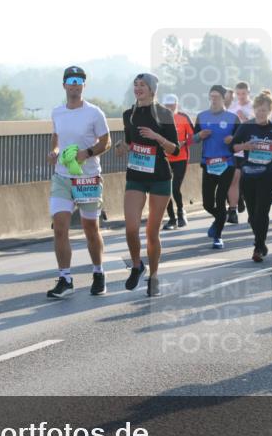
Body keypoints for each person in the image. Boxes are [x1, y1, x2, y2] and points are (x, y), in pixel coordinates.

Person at [45, 66, 111, 299]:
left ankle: (98, 273)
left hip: (87, 178)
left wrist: (87, 153)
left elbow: (106, 141)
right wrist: (54, 152)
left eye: (79, 80)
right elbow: (56, 137)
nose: (74, 84)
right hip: (62, 177)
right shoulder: (57, 112)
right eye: (71, 80)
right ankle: (65, 279)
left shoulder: (94, 113)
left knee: (90, 229)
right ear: (64, 85)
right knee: (60, 227)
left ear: (84, 85)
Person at [119, 72, 179, 296]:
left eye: (142, 85)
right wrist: (122, 147)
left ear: (152, 90)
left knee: (152, 232)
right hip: (136, 175)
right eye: (135, 84)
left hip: (160, 177)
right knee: (131, 228)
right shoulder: (128, 114)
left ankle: (154, 277)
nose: (138, 88)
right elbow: (128, 142)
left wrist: (157, 137)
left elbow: (175, 149)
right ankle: (137, 266)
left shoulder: (164, 113)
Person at [232, 91, 272, 262]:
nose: (261, 113)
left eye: (264, 110)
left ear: (270, 111)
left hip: (269, 175)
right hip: (248, 175)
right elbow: (233, 147)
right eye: (258, 110)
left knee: (262, 212)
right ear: (254, 110)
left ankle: (258, 247)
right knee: (252, 215)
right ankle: (261, 243)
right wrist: (245, 146)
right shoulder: (246, 127)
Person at [193, 85, 239, 249]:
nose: (213, 99)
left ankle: (218, 236)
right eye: (211, 96)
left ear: (223, 98)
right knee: (207, 203)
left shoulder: (233, 118)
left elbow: (241, 139)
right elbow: (192, 138)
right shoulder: (201, 116)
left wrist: (232, 139)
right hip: (208, 164)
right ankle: (221, 217)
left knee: (220, 200)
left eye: (217, 96)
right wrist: (199, 135)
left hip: (227, 164)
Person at [162, 93, 195, 230]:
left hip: (181, 158)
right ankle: (171, 219)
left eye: (172, 105)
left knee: (175, 187)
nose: (169, 108)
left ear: (177, 105)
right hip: (164, 158)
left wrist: (183, 143)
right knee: (166, 189)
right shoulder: (159, 119)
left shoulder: (183, 117)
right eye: (167, 106)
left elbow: (193, 136)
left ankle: (181, 212)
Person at [226, 81, 253, 224]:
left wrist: (245, 119)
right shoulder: (232, 108)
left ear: (248, 93)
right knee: (234, 178)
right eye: (238, 94)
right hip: (236, 149)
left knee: (248, 181)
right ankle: (232, 210)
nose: (241, 96)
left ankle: (251, 209)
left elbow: (259, 126)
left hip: (251, 149)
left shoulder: (254, 107)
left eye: (244, 93)